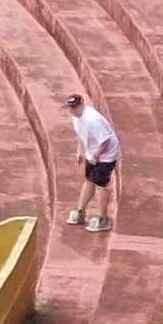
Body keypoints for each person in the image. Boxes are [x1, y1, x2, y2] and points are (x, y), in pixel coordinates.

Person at [65, 93, 120, 233]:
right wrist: (80, 150)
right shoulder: (76, 117)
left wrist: (96, 155)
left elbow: (105, 141)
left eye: (75, 107)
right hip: (92, 152)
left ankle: (102, 218)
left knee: (100, 185)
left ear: (82, 104)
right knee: (89, 181)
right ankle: (80, 211)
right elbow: (80, 134)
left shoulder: (93, 120)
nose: (73, 110)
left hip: (105, 155)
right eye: (71, 108)